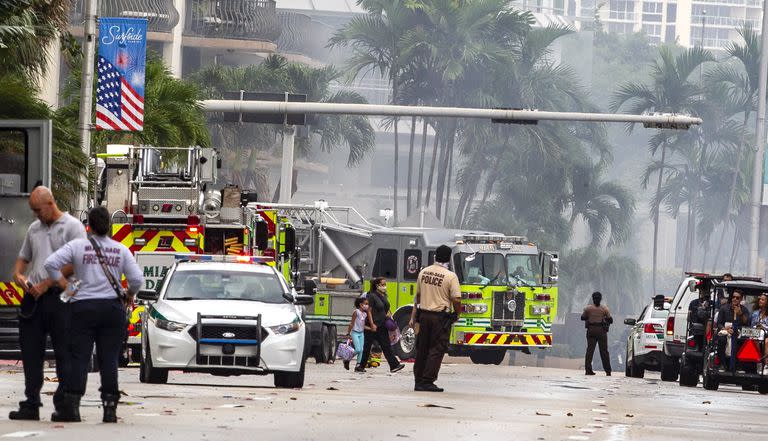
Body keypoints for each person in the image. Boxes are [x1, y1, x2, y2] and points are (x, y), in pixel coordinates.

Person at [44, 206, 143, 423]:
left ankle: (72, 407)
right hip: (111, 310)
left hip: (82, 309)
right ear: (109, 226)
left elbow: (50, 264)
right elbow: (137, 280)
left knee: (79, 357)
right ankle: (109, 409)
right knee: (109, 359)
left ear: (88, 225)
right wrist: (129, 294)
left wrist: (65, 285)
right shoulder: (120, 250)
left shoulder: (78, 246)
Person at [10, 186, 86, 422]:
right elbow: (23, 260)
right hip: (34, 297)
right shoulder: (34, 229)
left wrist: (48, 282)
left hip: (61, 296)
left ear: (50, 204)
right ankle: (31, 402)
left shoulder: (73, 227)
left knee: (64, 351)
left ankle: (65, 403)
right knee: (31, 351)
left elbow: (79, 261)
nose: (35, 215)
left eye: (37, 210)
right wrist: (20, 277)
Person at [409, 245, 461, 392]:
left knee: (422, 348)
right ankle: (427, 381)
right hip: (440, 318)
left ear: (435, 256)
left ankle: (418, 380)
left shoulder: (423, 272)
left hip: (423, 315)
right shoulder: (450, 276)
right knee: (437, 349)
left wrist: (414, 317)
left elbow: (417, 297)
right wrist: (457, 314)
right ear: (449, 258)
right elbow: (456, 299)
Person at [357, 277, 405, 374]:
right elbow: (369, 311)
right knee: (367, 347)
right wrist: (371, 324)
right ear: (377, 285)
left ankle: (394, 365)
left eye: (385, 284)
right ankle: (361, 366)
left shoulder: (382, 295)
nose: (384, 286)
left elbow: (385, 308)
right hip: (373, 326)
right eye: (382, 284)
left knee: (386, 346)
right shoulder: (372, 296)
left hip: (381, 325)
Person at [581, 291, 613, 376]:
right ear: (601, 299)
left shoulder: (588, 308)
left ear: (592, 299)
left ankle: (588, 370)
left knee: (590, 351)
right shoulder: (605, 309)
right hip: (601, 331)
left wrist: (590, 317)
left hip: (591, 330)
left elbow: (582, 317)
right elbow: (610, 320)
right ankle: (608, 371)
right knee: (604, 351)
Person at [715, 289, 750, 362]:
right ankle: (722, 363)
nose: (735, 299)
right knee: (722, 340)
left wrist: (740, 314)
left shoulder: (744, 310)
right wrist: (725, 329)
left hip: (738, 332)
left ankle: (739, 365)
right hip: (726, 331)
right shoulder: (724, 308)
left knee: (743, 341)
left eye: (737, 298)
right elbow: (719, 323)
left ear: (741, 299)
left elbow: (746, 323)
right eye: (733, 297)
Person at [344, 297, 370, 370]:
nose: (367, 306)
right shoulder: (356, 312)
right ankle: (347, 359)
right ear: (361, 305)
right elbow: (351, 324)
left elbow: (363, 325)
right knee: (358, 349)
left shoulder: (365, 314)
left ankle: (358, 365)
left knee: (361, 350)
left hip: (361, 333)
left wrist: (371, 328)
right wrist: (348, 333)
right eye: (366, 304)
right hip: (355, 333)